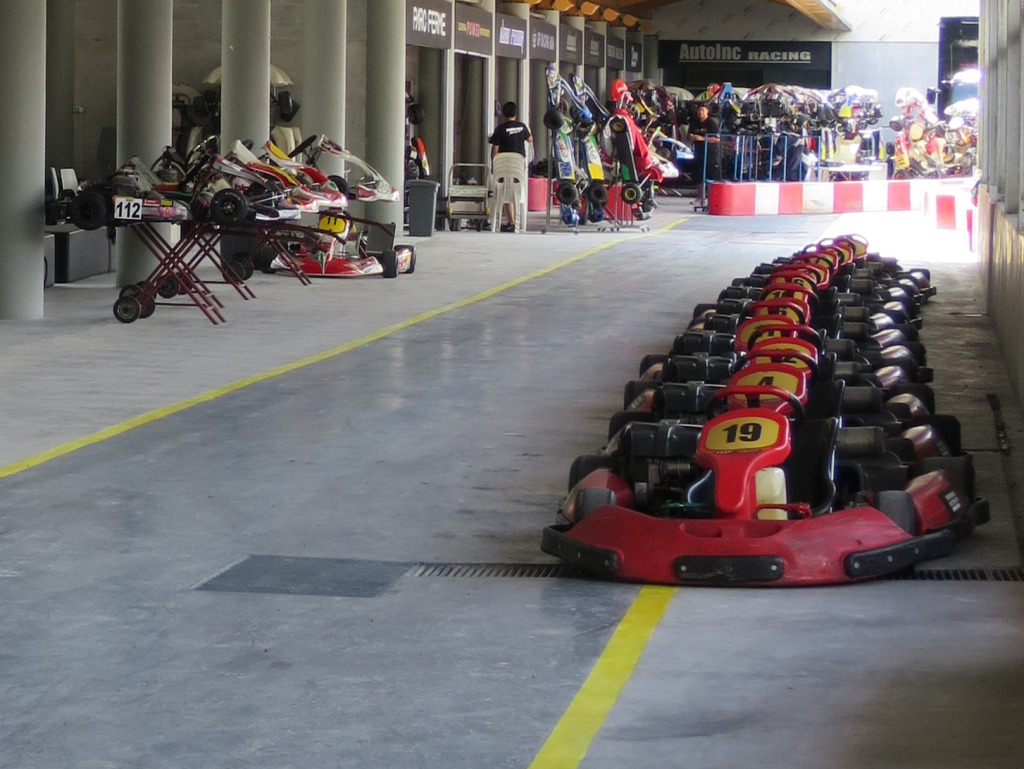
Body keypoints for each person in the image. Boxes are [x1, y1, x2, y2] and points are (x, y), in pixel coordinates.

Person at [488, 101, 533, 232]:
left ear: (503, 114)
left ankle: (511, 221)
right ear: (516, 113)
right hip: (518, 167)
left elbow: (494, 149)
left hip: (503, 167)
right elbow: (530, 139)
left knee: (505, 190)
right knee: (516, 189)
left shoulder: (500, 129)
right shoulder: (522, 127)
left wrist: (494, 165)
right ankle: (517, 222)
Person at [688, 102, 720, 208]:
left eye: (702, 110)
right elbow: (689, 135)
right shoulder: (694, 123)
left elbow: (717, 139)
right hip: (697, 151)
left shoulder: (712, 123)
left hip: (710, 152)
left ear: (707, 111)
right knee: (698, 174)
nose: (700, 112)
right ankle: (700, 196)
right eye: (699, 110)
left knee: (709, 174)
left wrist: (702, 139)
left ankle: (710, 197)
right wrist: (692, 138)